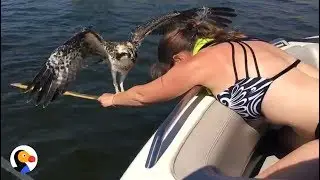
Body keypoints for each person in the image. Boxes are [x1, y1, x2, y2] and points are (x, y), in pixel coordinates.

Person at [98, 21, 319, 179]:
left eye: (172, 69)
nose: (176, 75)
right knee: (285, 139)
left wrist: (113, 98)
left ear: (179, 58)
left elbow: (142, 95)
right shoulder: (248, 42)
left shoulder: (200, 62)